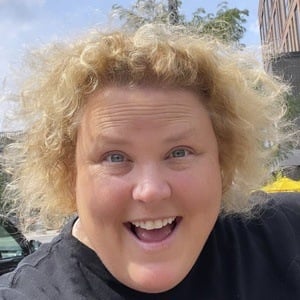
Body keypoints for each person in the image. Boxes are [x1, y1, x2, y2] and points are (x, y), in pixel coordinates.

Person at [0, 23, 299, 299]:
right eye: (115, 157)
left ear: (223, 162)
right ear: (69, 173)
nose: (151, 190)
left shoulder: (284, 236)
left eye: (179, 152)